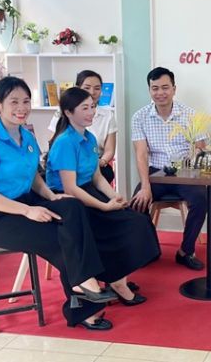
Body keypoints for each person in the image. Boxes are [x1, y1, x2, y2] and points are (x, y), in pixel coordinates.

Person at [0, 76, 115, 331]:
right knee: (62, 238)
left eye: (26, 101)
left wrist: (50, 196)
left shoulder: (27, 137)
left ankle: (83, 285)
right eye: (14, 102)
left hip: (27, 202)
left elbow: (33, 175)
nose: (21, 107)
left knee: (72, 207)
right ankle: (85, 299)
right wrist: (28, 210)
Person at [45, 87, 161, 306]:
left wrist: (114, 196)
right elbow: (70, 188)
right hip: (71, 202)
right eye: (84, 108)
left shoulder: (89, 137)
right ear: (69, 113)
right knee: (116, 226)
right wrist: (104, 206)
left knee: (138, 220)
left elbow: (97, 177)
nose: (91, 113)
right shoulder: (64, 142)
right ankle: (118, 282)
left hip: (90, 191)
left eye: (93, 107)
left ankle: (118, 276)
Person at [130, 67, 208, 270]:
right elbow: (141, 154)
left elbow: (201, 149)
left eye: (165, 87)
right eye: (155, 88)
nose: (160, 93)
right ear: (149, 90)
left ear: (174, 89)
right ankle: (150, 249)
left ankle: (186, 250)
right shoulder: (140, 117)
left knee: (201, 199)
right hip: (156, 172)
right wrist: (146, 185)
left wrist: (195, 161)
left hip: (184, 172)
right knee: (137, 202)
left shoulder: (190, 114)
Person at [49, 70, 117, 184]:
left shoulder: (106, 117)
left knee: (106, 175)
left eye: (97, 88)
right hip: (70, 163)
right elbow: (53, 141)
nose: (92, 92)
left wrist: (100, 162)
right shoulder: (65, 112)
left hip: (95, 162)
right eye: (87, 87)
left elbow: (110, 150)